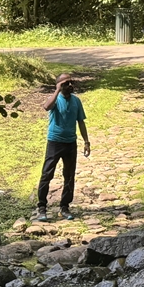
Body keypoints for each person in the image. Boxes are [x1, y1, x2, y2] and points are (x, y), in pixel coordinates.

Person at [36, 73, 90, 221]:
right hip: (54, 142)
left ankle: (64, 207)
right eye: (66, 83)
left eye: (72, 82)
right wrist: (57, 90)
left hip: (70, 143)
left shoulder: (76, 101)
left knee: (69, 175)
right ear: (59, 85)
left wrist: (86, 141)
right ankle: (41, 207)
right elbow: (46, 107)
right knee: (47, 174)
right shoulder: (55, 99)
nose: (70, 85)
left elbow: (81, 122)